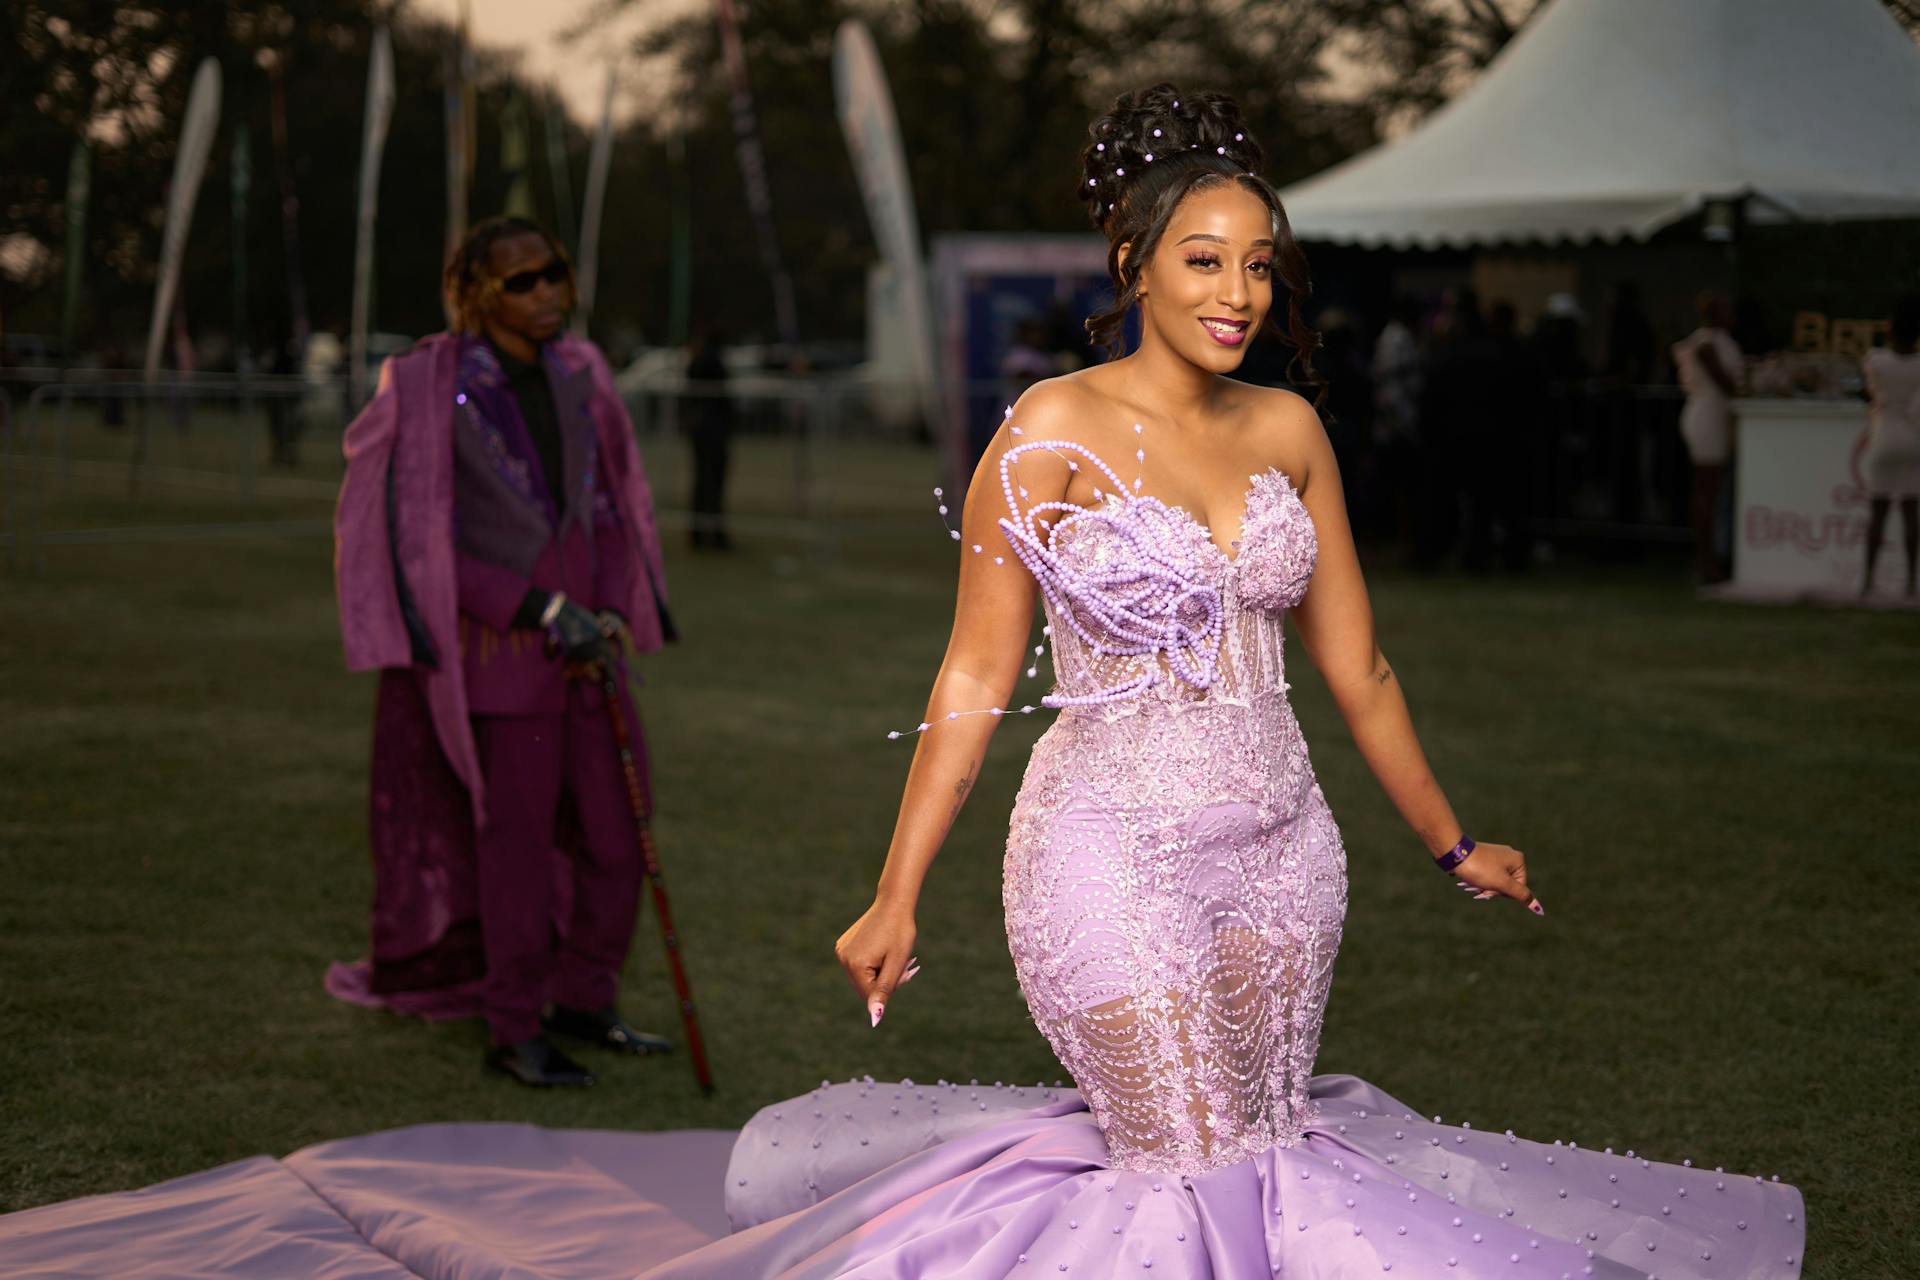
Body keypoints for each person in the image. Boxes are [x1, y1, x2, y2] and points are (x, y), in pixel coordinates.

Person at [639, 86, 1804, 1277]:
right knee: (1185, 1166)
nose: (1237, 293)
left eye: (1259, 265)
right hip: (1105, 849)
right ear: (1134, 264)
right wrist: (897, 891)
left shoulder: (1292, 428)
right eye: (1204, 261)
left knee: (1262, 1155)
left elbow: (1361, 663)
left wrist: (1454, 843)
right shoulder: (1047, 430)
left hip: (1285, 850)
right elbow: (976, 668)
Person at [329, 215, 677, 1088]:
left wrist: (602, 607)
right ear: (478, 293)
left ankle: (585, 1000)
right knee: (515, 850)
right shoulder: (431, 389)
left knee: (616, 834)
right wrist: (537, 604)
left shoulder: (579, 377)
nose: (547, 291)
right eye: (522, 280)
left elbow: (601, 509)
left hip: (590, 652)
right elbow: (424, 543)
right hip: (501, 659)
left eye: (554, 272)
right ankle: (514, 1027)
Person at [1672, 291, 1744, 584]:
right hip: (1706, 418)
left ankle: (1712, 557)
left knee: (1713, 493)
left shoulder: (1722, 341)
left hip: (1716, 417)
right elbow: (1725, 382)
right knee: (1706, 492)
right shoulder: (1705, 344)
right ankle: (1705, 562)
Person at [1859, 293, 1920, 597]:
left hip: (1884, 434)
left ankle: (1868, 581)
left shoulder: (1875, 361)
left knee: (1878, 511)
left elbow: (1871, 394)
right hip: (1912, 437)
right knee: (1910, 510)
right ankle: (1910, 582)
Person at [683, 326, 735, 551]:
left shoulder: (699, 360)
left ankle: (703, 532)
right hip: (711, 430)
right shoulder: (707, 360)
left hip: (706, 429)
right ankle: (710, 534)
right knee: (710, 481)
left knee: (704, 481)